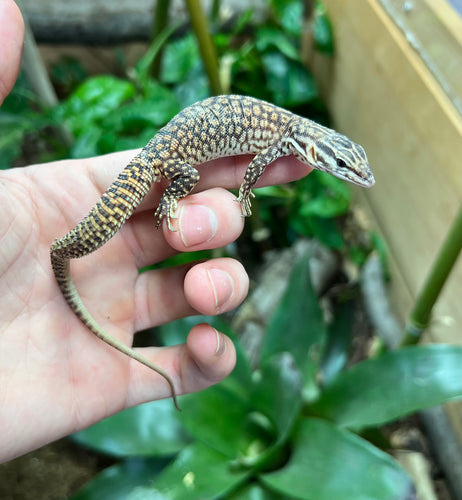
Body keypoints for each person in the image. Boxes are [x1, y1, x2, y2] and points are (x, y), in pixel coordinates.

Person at [0, 0, 311, 463]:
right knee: (179, 192)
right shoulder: (287, 136)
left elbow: (258, 160)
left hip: (169, 146)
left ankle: (165, 201)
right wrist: (204, 196)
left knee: (174, 212)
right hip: (171, 155)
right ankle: (168, 198)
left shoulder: (288, 134)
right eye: (344, 166)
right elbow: (254, 166)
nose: (347, 172)